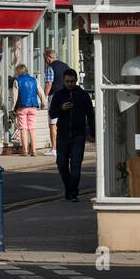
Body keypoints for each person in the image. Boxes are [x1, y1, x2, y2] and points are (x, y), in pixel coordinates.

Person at [47, 68, 95, 201]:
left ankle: (73, 192)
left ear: (76, 80)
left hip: (78, 135)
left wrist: (92, 133)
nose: (69, 84)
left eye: (72, 81)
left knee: (76, 165)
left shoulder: (83, 95)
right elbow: (52, 113)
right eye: (67, 81)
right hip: (62, 135)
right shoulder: (58, 95)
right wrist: (61, 109)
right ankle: (69, 189)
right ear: (64, 80)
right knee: (61, 164)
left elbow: (90, 115)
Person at [10, 64, 44, 157]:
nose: (15, 73)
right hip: (33, 107)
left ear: (19, 71)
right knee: (32, 129)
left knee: (23, 129)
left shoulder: (17, 81)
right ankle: (33, 150)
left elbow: (14, 96)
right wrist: (43, 102)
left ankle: (25, 150)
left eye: (16, 71)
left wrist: (12, 107)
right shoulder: (34, 80)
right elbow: (41, 92)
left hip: (22, 107)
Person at [43, 48, 71, 154]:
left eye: (45, 58)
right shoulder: (66, 66)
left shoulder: (51, 67)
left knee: (52, 123)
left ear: (49, 58)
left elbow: (49, 84)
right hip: (67, 96)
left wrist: (44, 97)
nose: (45, 61)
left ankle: (54, 148)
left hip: (55, 96)